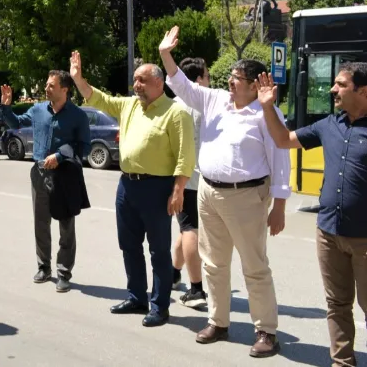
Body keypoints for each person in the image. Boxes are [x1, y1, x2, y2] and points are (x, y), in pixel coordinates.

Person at [159, 26, 289, 358]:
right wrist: (166, 54)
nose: (228, 82)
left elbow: (281, 157)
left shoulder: (267, 114)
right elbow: (184, 87)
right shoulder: (215, 99)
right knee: (214, 264)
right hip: (208, 193)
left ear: (256, 84)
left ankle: (265, 331)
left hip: (247, 197)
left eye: (235, 78)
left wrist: (280, 206)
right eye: (230, 76)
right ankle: (218, 322)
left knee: (254, 266)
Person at [70, 50, 195, 328]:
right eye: (135, 80)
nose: (136, 85)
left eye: (142, 80)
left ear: (159, 83)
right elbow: (99, 99)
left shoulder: (176, 113)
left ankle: (160, 306)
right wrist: (78, 79)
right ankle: (136, 296)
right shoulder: (129, 106)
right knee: (129, 245)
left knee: (159, 250)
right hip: (127, 186)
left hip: (158, 188)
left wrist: (178, 190)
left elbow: (186, 155)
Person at [257, 62, 367, 367]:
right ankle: (342, 362)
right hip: (328, 232)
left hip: (364, 238)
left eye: (341, 84)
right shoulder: (328, 125)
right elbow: (282, 140)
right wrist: (268, 107)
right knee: (337, 303)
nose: (333, 89)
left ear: (363, 90)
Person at [0, 71, 91, 293]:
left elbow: (84, 147)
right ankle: (43, 267)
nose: (46, 88)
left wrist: (59, 156)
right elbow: (16, 123)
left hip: (66, 175)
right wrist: (6, 107)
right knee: (41, 223)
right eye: (46, 84)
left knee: (66, 226)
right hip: (39, 173)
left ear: (64, 89)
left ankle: (64, 273)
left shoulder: (78, 115)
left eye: (51, 85)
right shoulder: (39, 109)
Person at [171, 57, 209, 310]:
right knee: (190, 231)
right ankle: (196, 289)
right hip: (197, 177)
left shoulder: (173, 105)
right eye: (206, 75)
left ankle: (173, 274)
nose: (209, 80)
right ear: (197, 80)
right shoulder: (205, 102)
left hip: (178, 175)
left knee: (186, 228)